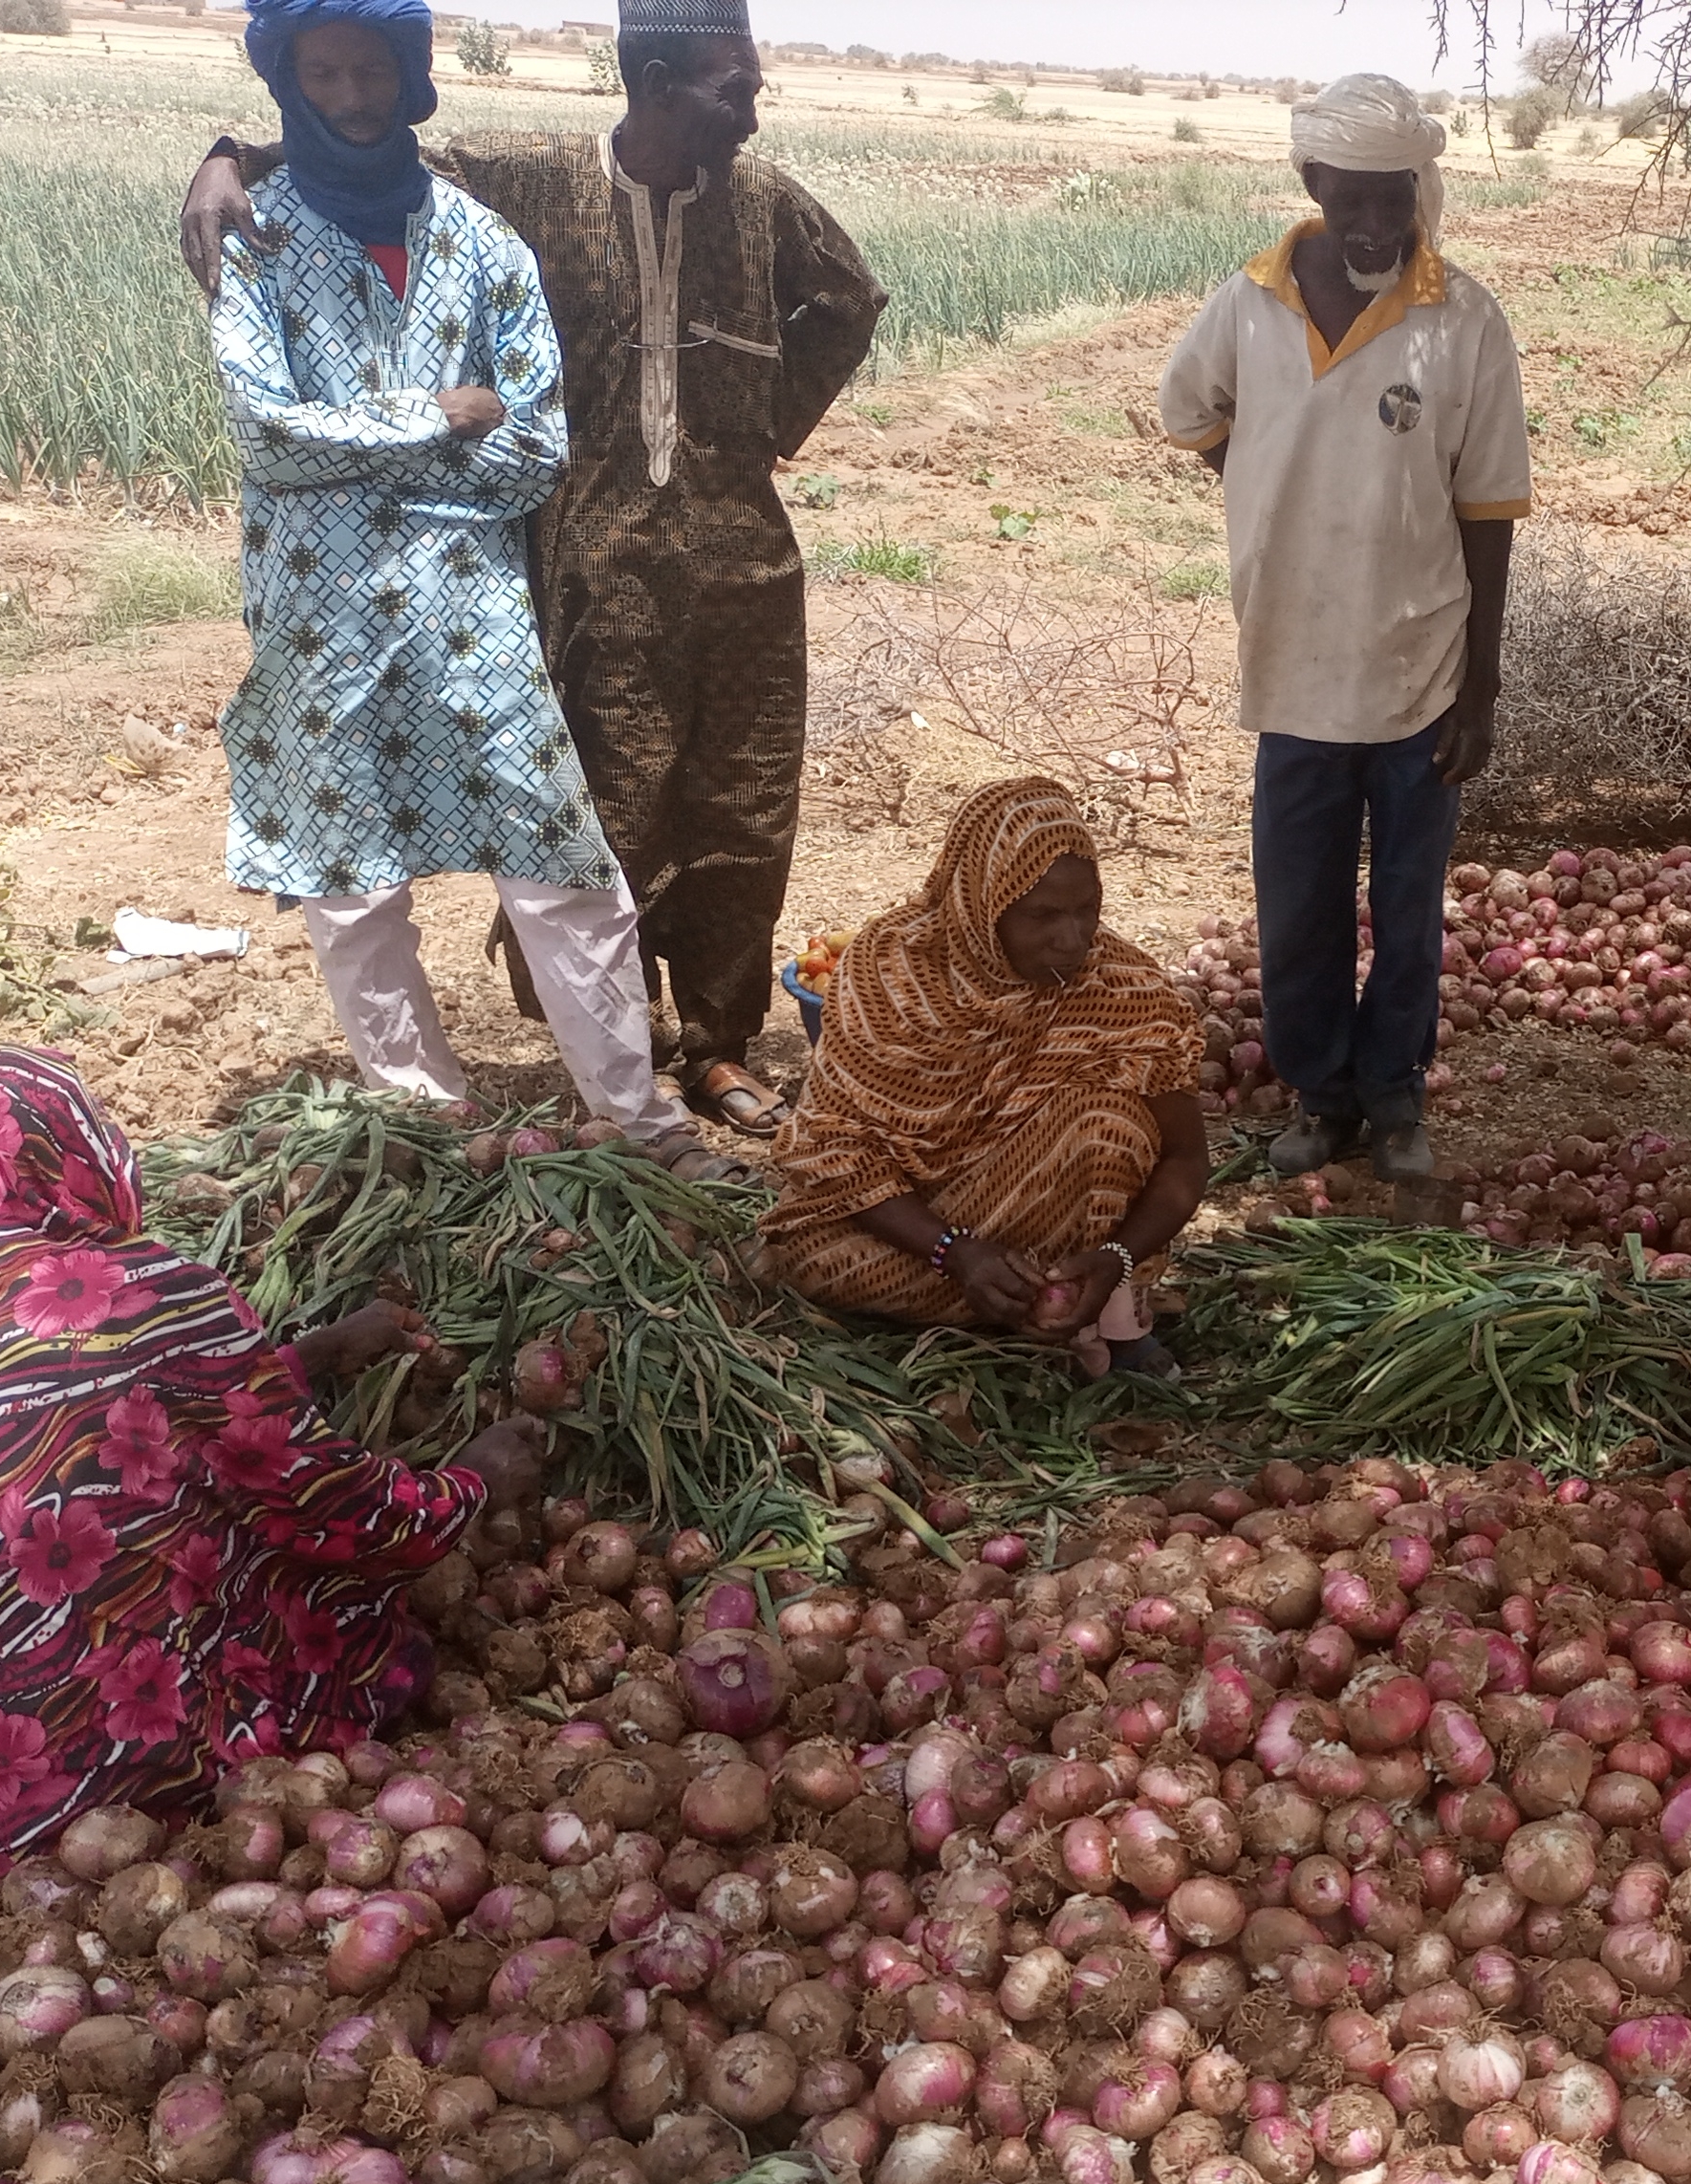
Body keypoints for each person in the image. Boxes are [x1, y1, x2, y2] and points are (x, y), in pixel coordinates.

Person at [182, 0, 887, 1139]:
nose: (751, 106)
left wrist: (764, 421)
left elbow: (849, 299)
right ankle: (612, 1059)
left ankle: (714, 1048)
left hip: (737, 552)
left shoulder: (758, 203)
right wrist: (224, 157)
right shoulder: (537, 188)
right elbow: (366, 138)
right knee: (608, 810)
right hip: (586, 557)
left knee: (744, 806)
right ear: (656, 82)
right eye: (732, 84)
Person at [0, 1052, 541, 1876]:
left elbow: (133, 1419)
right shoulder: (145, 1291)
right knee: (316, 1599)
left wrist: (309, 1357)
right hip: (46, 1797)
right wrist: (469, 1484)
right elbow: (324, 1503)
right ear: (75, 1151)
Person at [212, 0, 709, 1174]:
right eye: (319, 69)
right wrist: (434, 417)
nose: (346, 92)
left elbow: (533, 446)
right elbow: (265, 431)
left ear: (411, 70)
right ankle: (425, 1122)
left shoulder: (484, 245)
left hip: (469, 605)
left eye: (367, 66)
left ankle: (637, 1121)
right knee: (352, 882)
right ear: (286, 80)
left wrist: (365, 464)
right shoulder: (256, 240)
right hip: (316, 620)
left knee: (558, 860)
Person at [1157, 71, 1530, 1190]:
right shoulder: (1248, 303)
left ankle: (1394, 1093)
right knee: (1297, 906)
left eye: (1393, 201)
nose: (1372, 225)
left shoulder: (1462, 321)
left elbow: (1487, 511)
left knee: (1408, 909)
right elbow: (1192, 411)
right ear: (1311, 183)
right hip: (1292, 666)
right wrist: (1274, 490)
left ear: (1419, 190)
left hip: (1417, 666)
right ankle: (1320, 1095)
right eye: (1351, 200)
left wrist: (1481, 687)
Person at [761, 779, 1210, 1376]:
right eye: (1042, 915)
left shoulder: (1125, 990)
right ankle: (1036, 1305)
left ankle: (1096, 1304)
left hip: (1057, 1212)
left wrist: (1118, 1257)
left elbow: (1185, 1158)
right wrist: (956, 1253)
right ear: (982, 903)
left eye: (1088, 909)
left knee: (1109, 1124)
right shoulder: (888, 973)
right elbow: (836, 1149)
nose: (1073, 939)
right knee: (809, 1256)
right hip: (913, 1223)